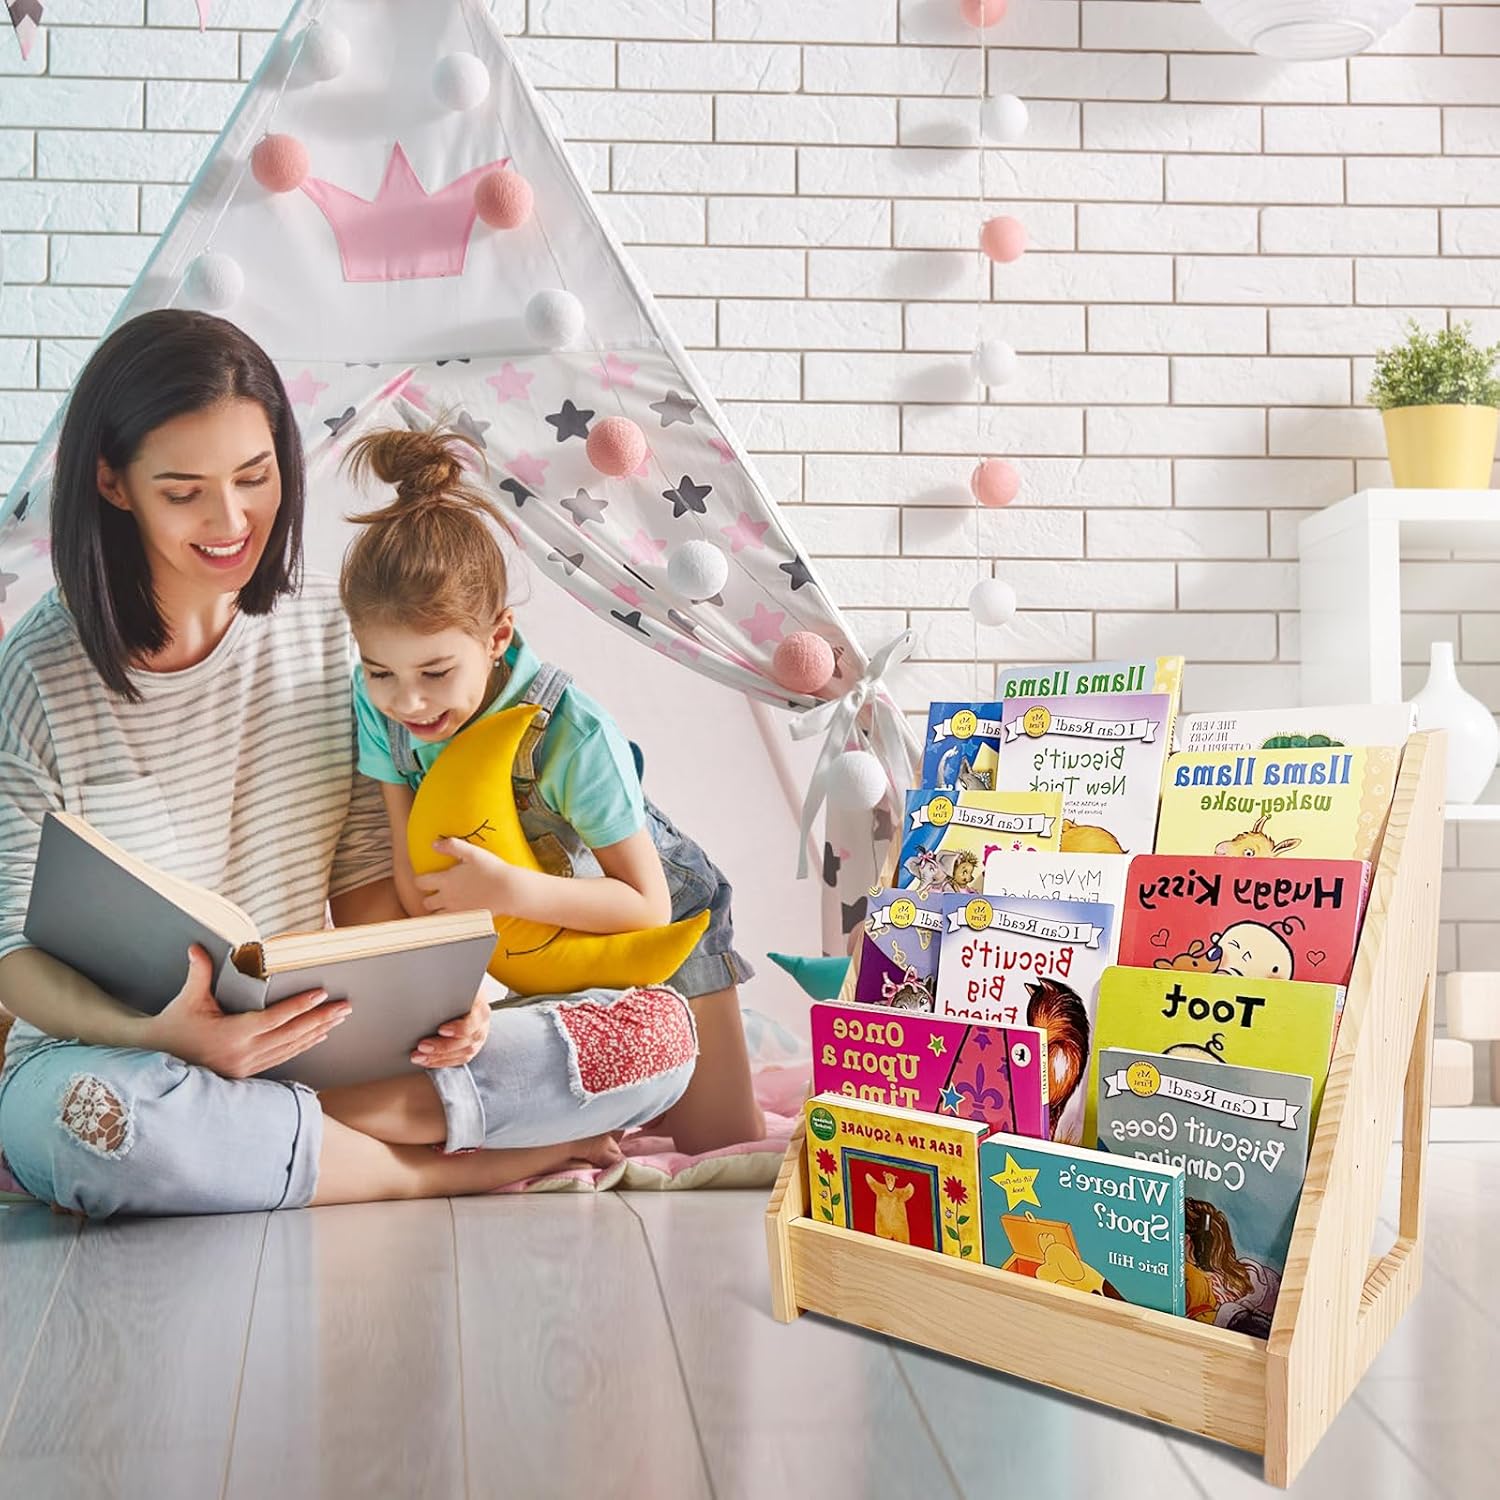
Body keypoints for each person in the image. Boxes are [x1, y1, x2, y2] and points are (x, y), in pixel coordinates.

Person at [0, 309, 698, 1218]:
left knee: (658, 1038)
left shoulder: (342, 643)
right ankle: (439, 1168)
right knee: (96, 1125)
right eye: (184, 492)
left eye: (255, 478)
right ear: (113, 483)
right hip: (117, 1057)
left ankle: (298, 1132)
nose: (231, 520)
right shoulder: (36, 674)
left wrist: (439, 1002)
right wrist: (163, 1033)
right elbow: (12, 949)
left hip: (316, 1042)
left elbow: (371, 882)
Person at [323, 422, 765, 1156]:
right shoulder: (380, 709)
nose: (407, 703)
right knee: (560, 1080)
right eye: (381, 671)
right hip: (539, 945)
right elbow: (412, 875)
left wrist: (505, 894)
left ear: (497, 637)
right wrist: (451, 996)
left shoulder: (570, 734)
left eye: (435, 674)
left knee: (718, 1144)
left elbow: (645, 902)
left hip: (657, 919)